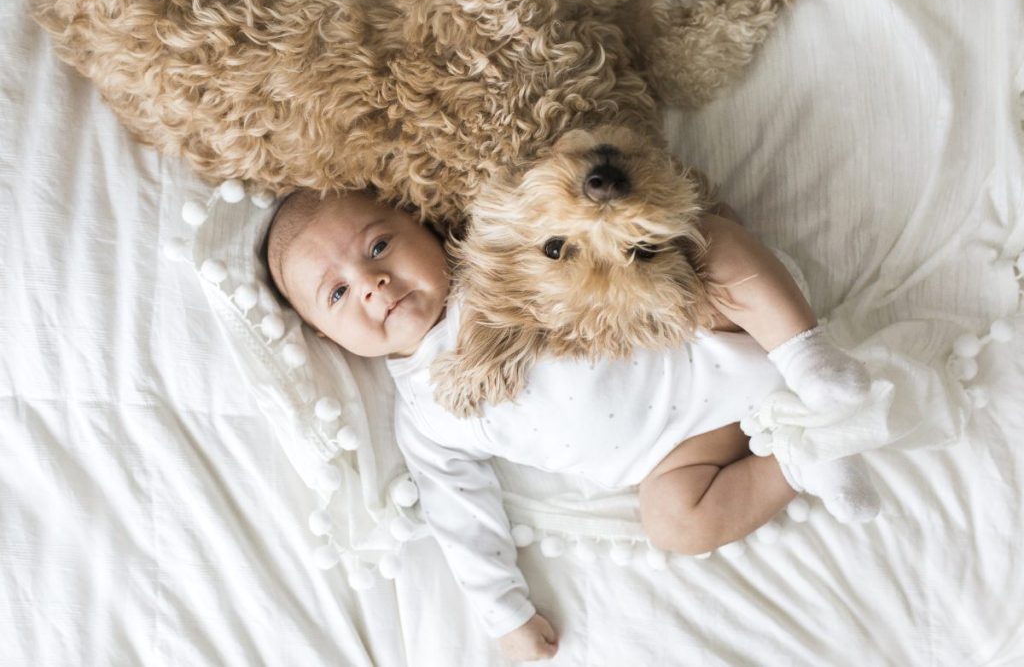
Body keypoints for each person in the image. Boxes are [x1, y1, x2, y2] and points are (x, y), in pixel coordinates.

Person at [264, 189, 878, 662]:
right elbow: (459, 514)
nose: (373, 284)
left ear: (418, 222)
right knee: (674, 523)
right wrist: (504, 614)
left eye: (378, 248)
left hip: (710, 325)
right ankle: (803, 457)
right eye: (338, 294)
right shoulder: (426, 420)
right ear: (325, 336)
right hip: (687, 451)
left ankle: (807, 356)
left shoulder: (492, 258)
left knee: (709, 243)